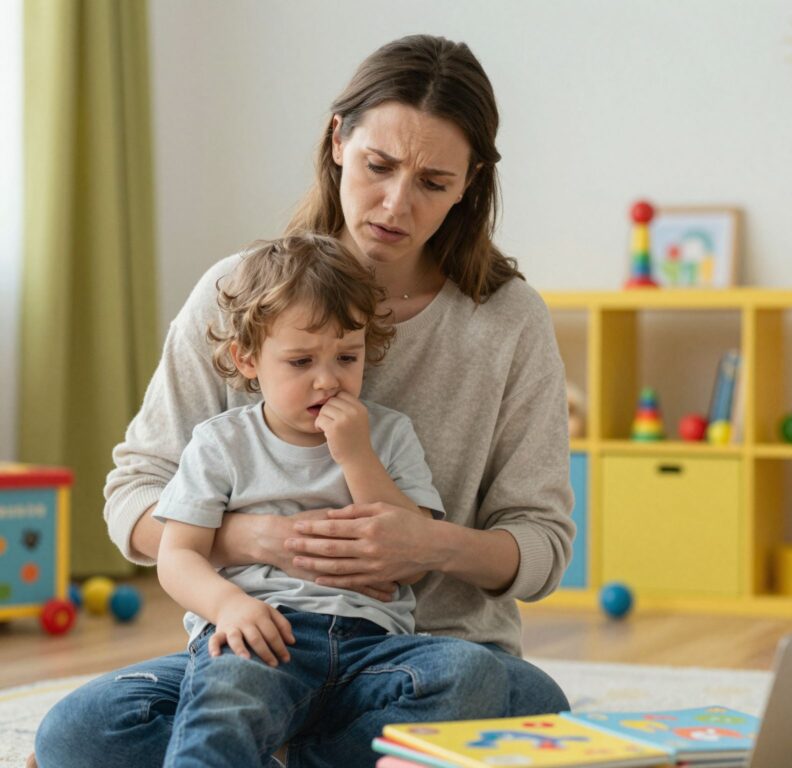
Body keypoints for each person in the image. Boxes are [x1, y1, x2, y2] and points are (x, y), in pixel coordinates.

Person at [33, 34, 574, 768]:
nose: (395, 204)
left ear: (470, 183)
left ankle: (276, 750)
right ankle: (321, 747)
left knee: (516, 696)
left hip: (424, 658)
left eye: (433, 183)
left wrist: (428, 544)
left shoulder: (508, 322)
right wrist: (247, 542)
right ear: (338, 140)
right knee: (78, 732)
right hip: (260, 645)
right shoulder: (241, 296)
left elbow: (542, 546)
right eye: (378, 166)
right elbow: (134, 494)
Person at [156, 233, 454, 766]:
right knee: (87, 725)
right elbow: (177, 555)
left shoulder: (388, 435)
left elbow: (413, 555)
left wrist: (358, 456)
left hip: (373, 649)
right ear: (247, 359)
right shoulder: (220, 443)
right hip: (261, 637)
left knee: (496, 683)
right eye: (300, 362)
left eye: (347, 356)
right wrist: (228, 606)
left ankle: (295, 754)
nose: (328, 380)